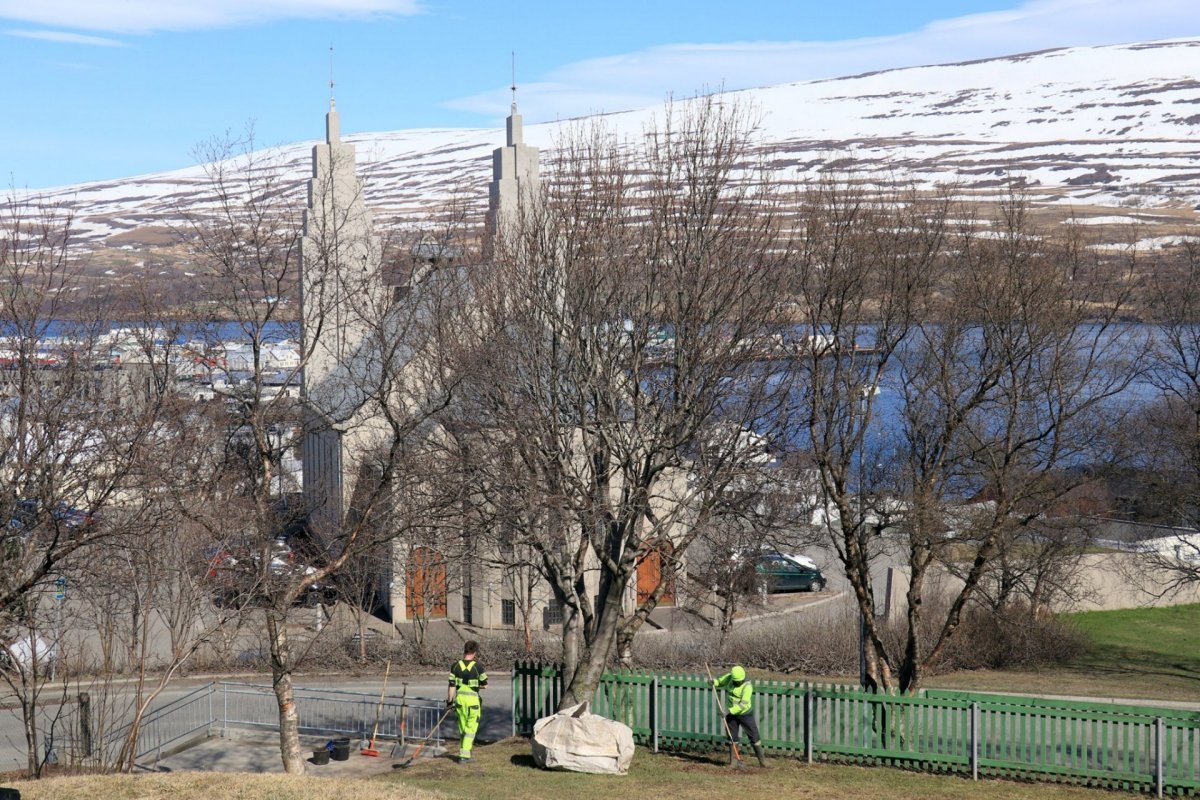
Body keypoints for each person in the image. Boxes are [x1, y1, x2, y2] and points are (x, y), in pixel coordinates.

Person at [712, 664, 768, 767]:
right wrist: (713, 682)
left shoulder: (747, 686)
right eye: (736, 681)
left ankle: (763, 762)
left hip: (745, 714)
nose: (738, 682)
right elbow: (720, 682)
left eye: (739, 681)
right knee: (732, 738)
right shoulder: (729, 677)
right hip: (731, 715)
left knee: (754, 737)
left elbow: (743, 704)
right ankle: (733, 763)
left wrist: (729, 711)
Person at [447, 639, 488, 764]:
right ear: (475, 652)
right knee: (471, 729)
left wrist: (450, 702)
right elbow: (485, 685)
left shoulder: (455, 666)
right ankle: (464, 755)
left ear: (464, 651)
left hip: (459, 701)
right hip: (472, 702)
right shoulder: (478, 667)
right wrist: (474, 686)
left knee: (462, 728)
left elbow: (451, 685)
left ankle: (465, 753)